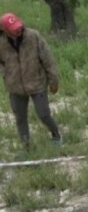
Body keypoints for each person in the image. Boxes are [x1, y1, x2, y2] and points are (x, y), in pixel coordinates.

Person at [0, 13, 62, 148]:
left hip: (37, 83)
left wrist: (53, 80)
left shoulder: (33, 36)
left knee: (44, 114)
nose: (18, 29)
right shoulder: (1, 43)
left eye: (18, 26)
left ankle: (56, 134)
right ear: (5, 30)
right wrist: (5, 72)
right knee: (20, 118)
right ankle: (26, 145)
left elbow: (48, 59)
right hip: (15, 87)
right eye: (13, 28)